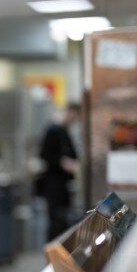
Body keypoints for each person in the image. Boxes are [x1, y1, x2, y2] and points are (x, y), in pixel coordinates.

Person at [39, 103, 80, 241]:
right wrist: (62, 162)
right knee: (55, 220)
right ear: (68, 112)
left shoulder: (65, 132)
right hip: (53, 183)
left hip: (64, 184)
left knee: (63, 219)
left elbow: (74, 155)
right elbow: (44, 154)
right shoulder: (53, 130)